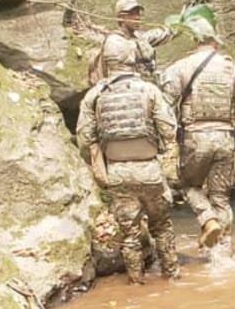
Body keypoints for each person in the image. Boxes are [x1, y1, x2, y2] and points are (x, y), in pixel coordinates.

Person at [161, 17, 235, 249]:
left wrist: (166, 136)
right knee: (221, 197)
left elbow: (165, 105)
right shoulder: (232, 67)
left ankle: (208, 220)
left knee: (189, 186)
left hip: (195, 139)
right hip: (225, 139)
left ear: (194, 40)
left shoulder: (180, 67)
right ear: (214, 42)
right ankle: (222, 253)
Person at [77, 71, 180, 283]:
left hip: (117, 172)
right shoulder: (149, 90)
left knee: (129, 234)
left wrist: (97, 164)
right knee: (161, 226)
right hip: (150, 170)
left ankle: (135, 282)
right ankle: (171, 276)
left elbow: (85, 139)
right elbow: (169, 129)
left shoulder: (95, 95)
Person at [88, 0, 172, 85]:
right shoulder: (114, 41)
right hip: (125, 87)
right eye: (132, 14)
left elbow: (157, 35)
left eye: (138, 14)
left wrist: (177, 27)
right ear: (121, 18)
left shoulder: (139, 37)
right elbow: (122, 73)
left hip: (145, 84)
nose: (137, 17)